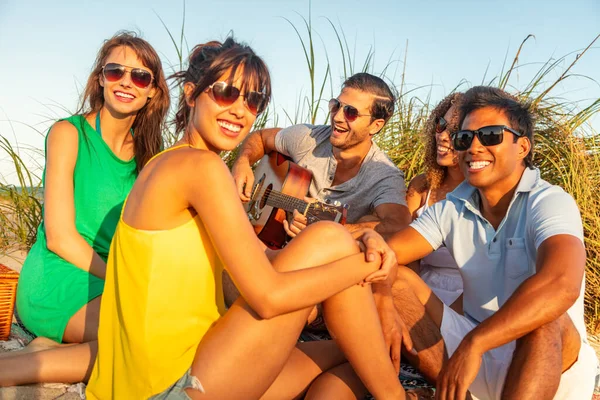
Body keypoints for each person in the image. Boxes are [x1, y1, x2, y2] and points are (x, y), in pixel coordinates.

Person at [85, 38, 411, 400]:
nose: (241, 111)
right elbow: (268, 297)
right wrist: (367, 265)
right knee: (329, 242)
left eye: (253, 100)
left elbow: (258, 257)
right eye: (226, 93)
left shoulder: (173, 160)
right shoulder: (201, 167)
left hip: (173, 368)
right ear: (192, 94)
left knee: (361, 351)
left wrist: (358, 242)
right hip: (175, 385)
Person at [310, 86, 599, 399]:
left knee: (547, 319)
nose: (473, 147)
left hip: (550, 368)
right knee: (397, 279)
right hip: (470, 353)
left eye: (490, 135)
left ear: (522, 146)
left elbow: (560, 284)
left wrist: (476, 344)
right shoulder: (453, 207)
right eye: (465, 138)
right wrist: (380, 289)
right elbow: (389, 252)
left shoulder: (549, 201)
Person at [1, 31, 169, 385]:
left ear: (152, 90)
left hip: (114, 276)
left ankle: (51, 356)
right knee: (139, 340)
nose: (126, 82)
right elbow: (60, 237)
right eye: (115, 72)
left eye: (140, 76)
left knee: (165, 333)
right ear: (100, 79)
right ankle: (10, 370)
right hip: (58, 275)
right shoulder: (68, 133)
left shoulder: (150, 156)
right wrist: (121, 279)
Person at [231, 72, 411, 239]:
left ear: (375, 126)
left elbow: (398, 224)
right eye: (336, 105)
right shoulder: (308, 138)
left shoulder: (384, 175)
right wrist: (242, 161)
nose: (337, 117)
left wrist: (328, 231)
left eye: (351, 112)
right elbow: (261, 137)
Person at [405, 93, 464, 306]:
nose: (443, 136)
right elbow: (405, 253)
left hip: (468, 296)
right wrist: (410, 295)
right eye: (441, 125)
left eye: (455, 131)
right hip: (420, 286)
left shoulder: (486, 194)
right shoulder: (422, 185)